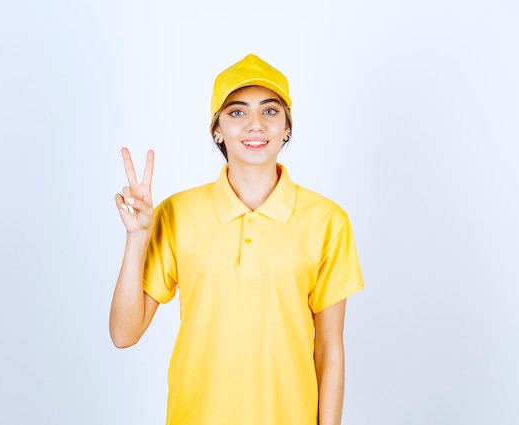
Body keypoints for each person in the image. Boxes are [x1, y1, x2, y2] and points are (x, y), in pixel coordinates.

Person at [110, 53, 364, 425]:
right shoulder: (176, 213)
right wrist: (137, 237)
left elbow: (330, 351)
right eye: (237, 112)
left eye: (271, 111)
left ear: (287, 128)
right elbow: (123, 333)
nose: (255, 125)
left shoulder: (327, 221)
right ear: (217, 130)